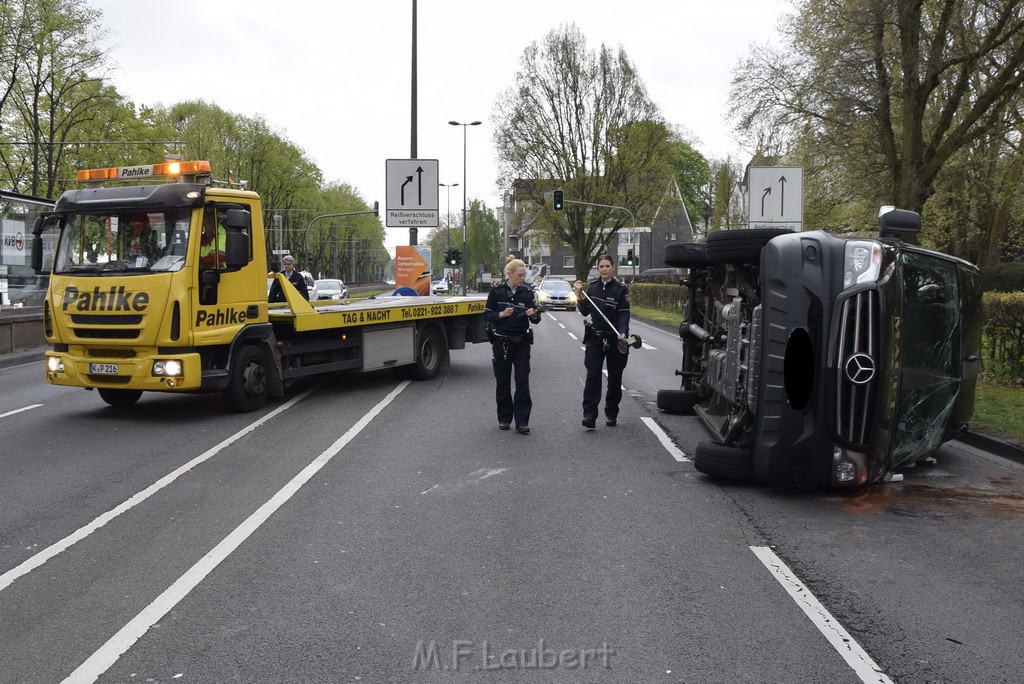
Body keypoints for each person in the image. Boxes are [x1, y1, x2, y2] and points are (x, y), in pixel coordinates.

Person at [483, 256, 542, 435]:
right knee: (502, 381)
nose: (522, 279)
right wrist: (501, 314)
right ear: (509, 274)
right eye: (519, 275)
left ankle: (522, 421)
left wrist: (532, 315)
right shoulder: (497, 292)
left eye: (524, 275)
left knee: (522, 380)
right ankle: (504, 418)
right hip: (501, 342)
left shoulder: (527, 292)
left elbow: (537, 319)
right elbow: (486, 315)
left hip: (521, 342)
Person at [574, 254, 631, 429]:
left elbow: (624, 313)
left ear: (612, 267)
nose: (604, 269)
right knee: (593, 375)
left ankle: (611, 412)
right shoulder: (591, 288)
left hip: (615, 339)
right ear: (598, 269)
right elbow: (584, 311)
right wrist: (578, 295)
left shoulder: (621, 289)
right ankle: (589, 414)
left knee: (615, 378)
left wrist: (622, 332)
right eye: (601, 266)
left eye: (607, 266)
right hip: (595, 338)